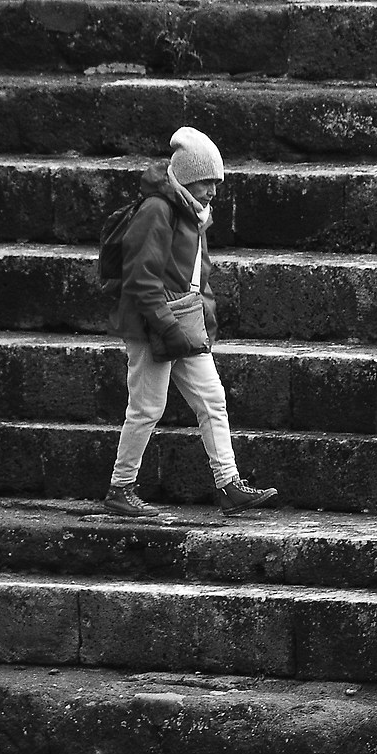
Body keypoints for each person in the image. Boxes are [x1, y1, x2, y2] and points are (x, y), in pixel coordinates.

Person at [96, 126, 278, 520]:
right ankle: (120, 488)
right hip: (153, 325)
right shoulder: (158, 210)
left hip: (183, 322)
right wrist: (169, 328)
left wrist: (198, 324)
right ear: (185, 178)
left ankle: (229, 485)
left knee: (212, 399)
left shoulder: (192, 213)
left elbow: (196, 276)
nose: (212, 189)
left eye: (216, 181)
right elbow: (141, 280)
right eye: (204, 181)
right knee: (146, 408)